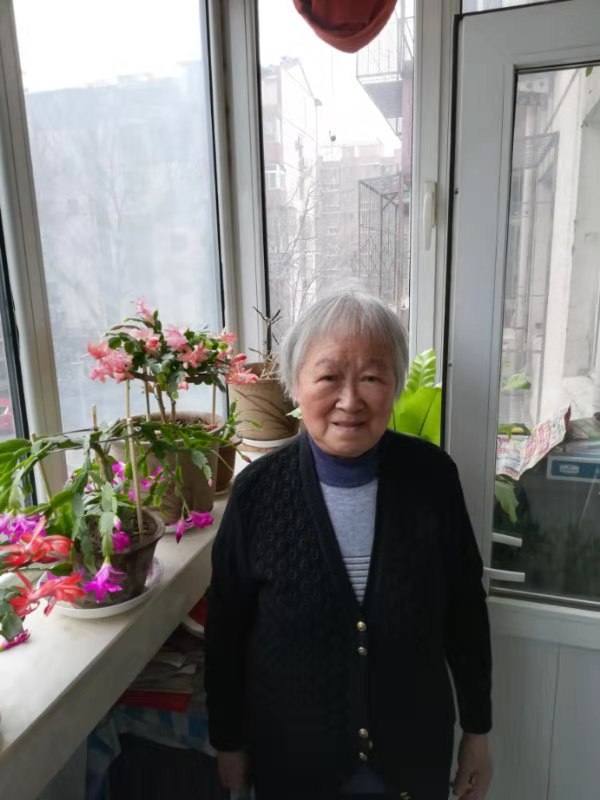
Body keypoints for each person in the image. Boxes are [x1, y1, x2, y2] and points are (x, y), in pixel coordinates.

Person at [205, 291, 492, 800]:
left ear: (395, 385)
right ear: (295, 383)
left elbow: (465, 612)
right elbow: (226, 630)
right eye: (329, 377)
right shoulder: (257, 494)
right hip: (293, 764)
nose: (351, 399)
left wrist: (478, 730)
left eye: (372, 378)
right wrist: (228, 740)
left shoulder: (432, 479)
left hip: (412, 760)